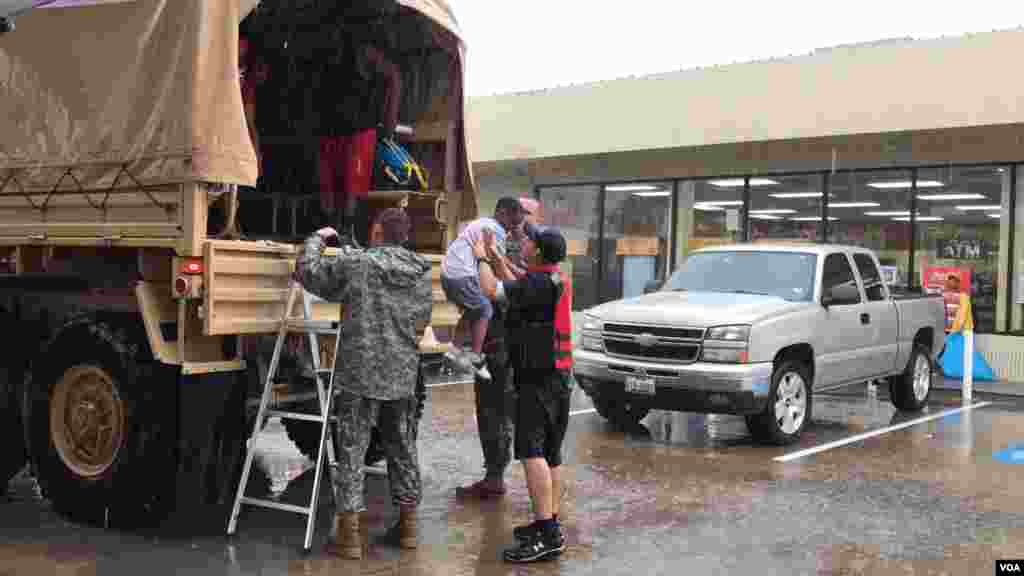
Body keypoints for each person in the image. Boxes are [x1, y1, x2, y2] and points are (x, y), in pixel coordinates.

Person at [295, 208, 432, 560]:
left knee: (352, 451)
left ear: (376, 231)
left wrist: (317, 240)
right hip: (402, 375)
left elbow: (310, 274)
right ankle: (408, 529)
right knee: (402, 448)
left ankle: (350, 537)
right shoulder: (420, 272)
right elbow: (421, 319)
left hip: (360, 374)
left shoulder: (359, 265)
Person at [475, 223, 574, 563]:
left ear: (539, 251)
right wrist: (497, 257)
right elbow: (518, 281)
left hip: (537, 381)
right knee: (552, 452)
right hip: (558, 379)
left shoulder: (536, 285)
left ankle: (547, 534)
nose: (525, 241)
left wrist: (480, 260)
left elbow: (492, 289)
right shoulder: (554, 278)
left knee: (532, 452)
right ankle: (550, 522)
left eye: (530, 240)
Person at [454, 198, 541, 499]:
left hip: (503, 342)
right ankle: (504, 473)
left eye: (525, 217)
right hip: (502, 341)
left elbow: (496, 289)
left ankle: (502, 475)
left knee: (497, 409)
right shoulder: (514, 243)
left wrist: (486, 260)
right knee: (498, 409)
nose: (521, 222)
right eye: (519, 216)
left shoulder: (518, 249)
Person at [318, 37, 402, 246]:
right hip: (335, 128)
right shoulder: (335, 58)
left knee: (352, 184)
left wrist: (388, 129)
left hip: (360, 130)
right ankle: (332, 229)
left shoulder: (376, 62)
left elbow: (393, 86)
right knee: (333, 182)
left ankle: (345, 229)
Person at [440, 197, 526, 381]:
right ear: (502, 213)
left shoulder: (482, 223)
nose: (512, 228)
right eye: (512, 223)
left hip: (450, 274)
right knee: (485, 308)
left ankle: (453, 351)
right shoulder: (495, 230)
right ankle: (476, 357)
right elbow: (496, 264)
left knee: (473, 310)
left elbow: (500, 260)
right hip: (462, 275)